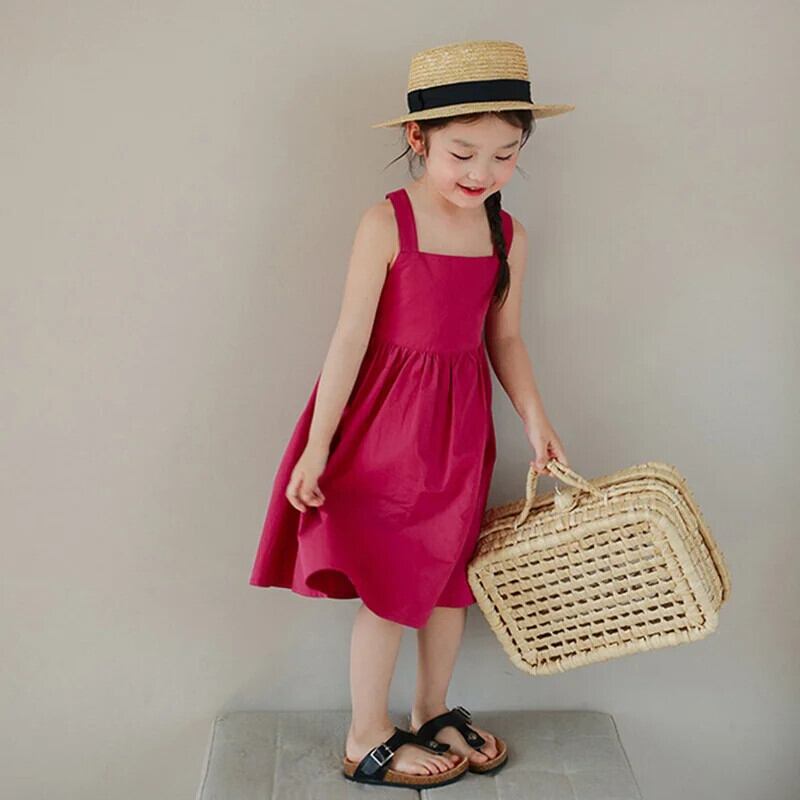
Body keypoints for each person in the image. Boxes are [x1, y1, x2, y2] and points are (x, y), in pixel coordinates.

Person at [249, 40, 574, 789]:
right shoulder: (386, 223)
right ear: (417, 138)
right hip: (385, 433)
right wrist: (316, 449)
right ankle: (365, 731)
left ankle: (430, 709)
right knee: (393, 582)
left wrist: (536, 419)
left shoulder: (507, 235)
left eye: (505, 155)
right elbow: (348, 340)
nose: (482, 173)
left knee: (450, 577)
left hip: (461, 432)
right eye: (463, 153)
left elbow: (505, 338)